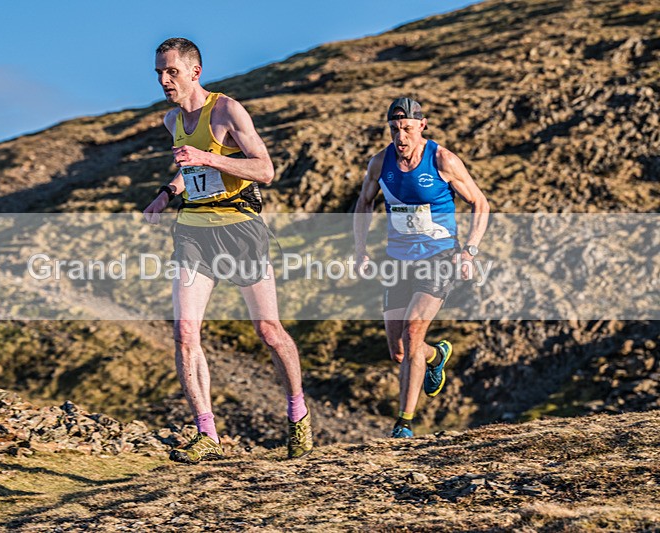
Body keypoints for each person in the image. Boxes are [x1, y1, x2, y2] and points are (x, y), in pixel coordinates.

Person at [143, 38, 313, 462]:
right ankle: (207, 434)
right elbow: (189, 169)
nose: (164, 80)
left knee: (268, 331)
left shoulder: (226, 110)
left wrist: (210, 157)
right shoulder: (171, 120)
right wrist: (166, 193)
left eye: (172, 72)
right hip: (193, 231)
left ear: (195, 71)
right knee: (185, 333)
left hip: (239, 229)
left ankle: (298, 413)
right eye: (160, 73)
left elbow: (265, 169)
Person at [353, 97, 489, 438]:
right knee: (400, 351)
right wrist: (360, 250)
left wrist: (469, 251)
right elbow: (364, 202)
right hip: (398, 260)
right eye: (395, 129)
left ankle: (404, 423)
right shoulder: (379, 162)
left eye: (408, 129)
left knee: (413, 331)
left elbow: (480, 202)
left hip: (439, 256)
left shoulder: (442, 160)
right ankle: (436, 355)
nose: (401, 137)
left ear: (422, 126)